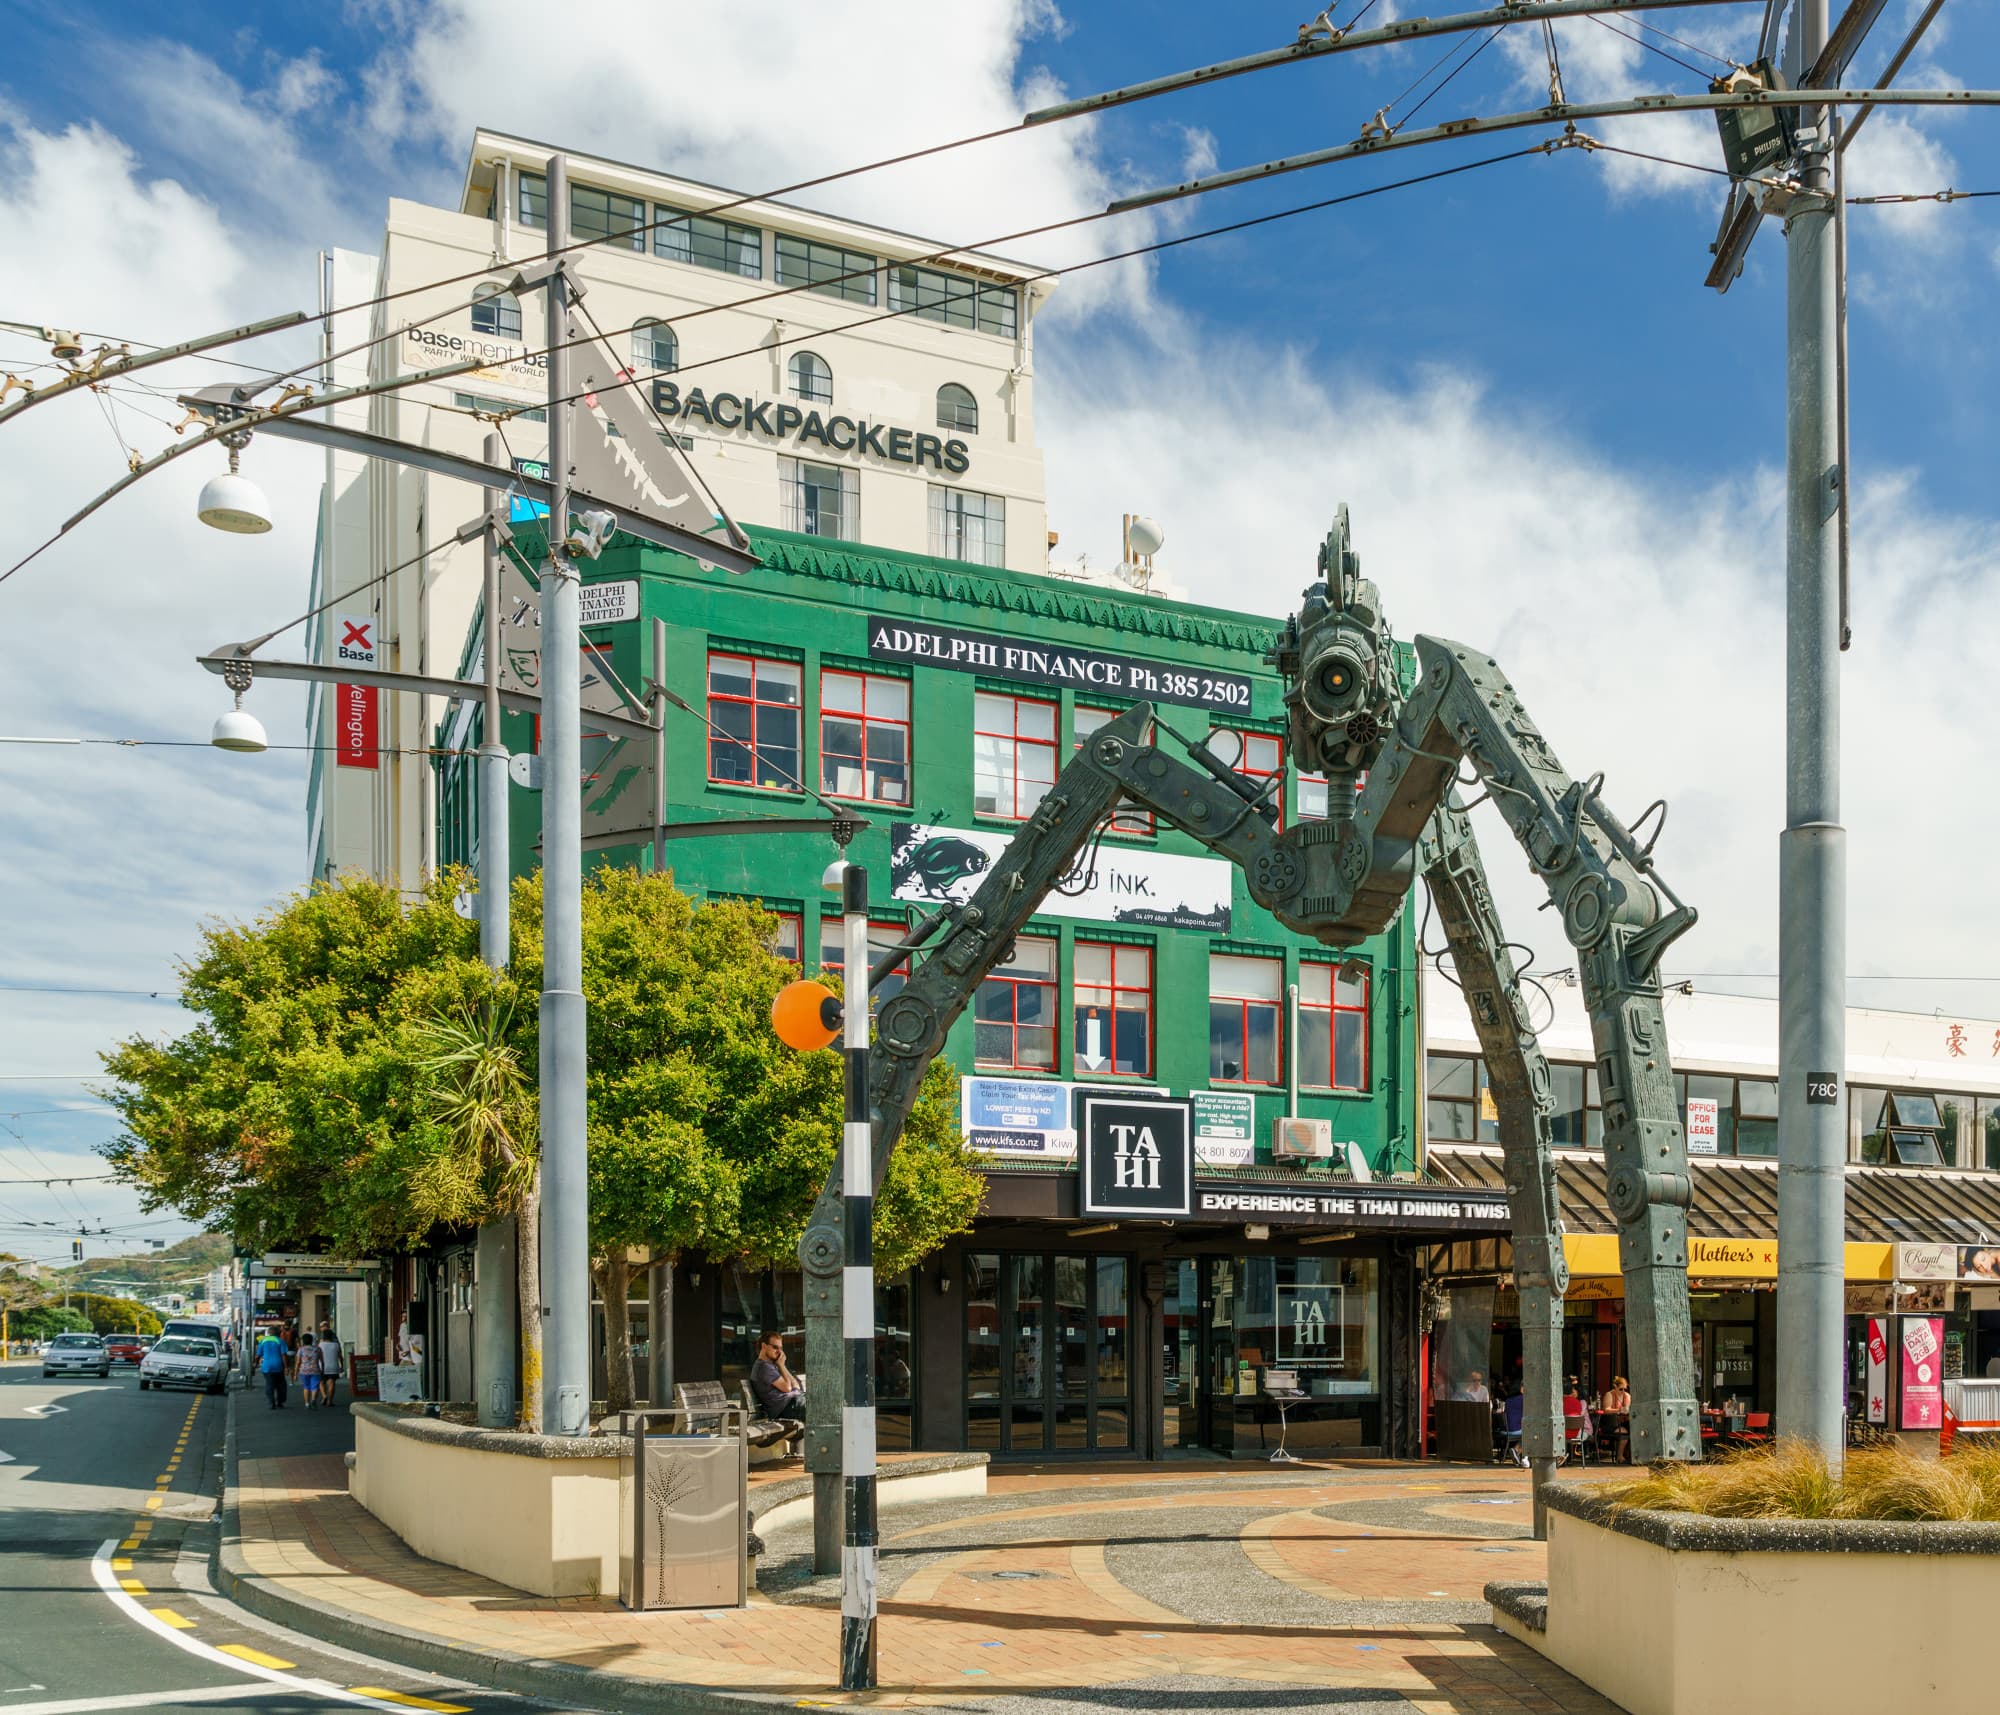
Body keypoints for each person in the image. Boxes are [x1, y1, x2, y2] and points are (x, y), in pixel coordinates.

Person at [750, 1330, 804, 1418]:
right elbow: (787, 1388)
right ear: (764, 1346)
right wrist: (781, 1365)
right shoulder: (763, 1367)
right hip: (786, 1408)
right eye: (775, 1347)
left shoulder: (771, 1365)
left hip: (794, 1403)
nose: (779, 1351)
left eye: (781, 1348)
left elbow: (796, 1386)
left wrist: (782, 1366)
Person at [256, 1325, 288, 1410]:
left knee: (269, 1384)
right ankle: (280, 1402)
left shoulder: (262, 1341)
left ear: (269, 1333)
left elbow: (258, 1355)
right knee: (281, 1385)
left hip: (267, 1367)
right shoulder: (280, 1341)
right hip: (278, 1366)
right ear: (279, 1333)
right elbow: (283, 1355)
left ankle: (271, 1402)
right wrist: (286, 1367)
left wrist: (254, 1364)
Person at [294, 1325, 323, 1408]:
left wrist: (295, 1374)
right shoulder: (318, 1349)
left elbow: (298, 1362)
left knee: (306, 1387)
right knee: (315, 1386)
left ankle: (307, 1403)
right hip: (315, 1370)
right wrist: (322, 1370)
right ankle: (313, 1400)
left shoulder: (301, 1350)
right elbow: (322, 1361)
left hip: (304, 1371)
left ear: (303, 1341)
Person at [317, 1322, 343, 1406]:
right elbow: (340, 1356)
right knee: (331, 1383)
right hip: (333, 1366)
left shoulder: (320, 1344)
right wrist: (341, 1366)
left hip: (322, 1367)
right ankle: (330, 1401)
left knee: (321, 1382)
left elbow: (317, 1355)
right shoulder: (336, 1345)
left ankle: (324, 1396)